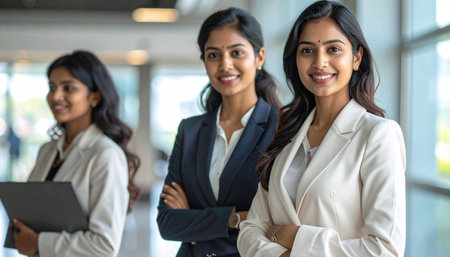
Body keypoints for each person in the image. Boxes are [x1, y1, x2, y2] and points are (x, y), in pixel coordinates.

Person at [237, 1, 406, 256]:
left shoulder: (378, 135)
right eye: (307, 51)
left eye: (334, 49)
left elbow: (385, 249)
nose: (320, 62)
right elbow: (250, 229)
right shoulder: (288, 132)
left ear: (356, 58)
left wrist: (298, 238)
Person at [157, 7, 281, 257]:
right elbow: (168, 223)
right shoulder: (190, 130)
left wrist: (194, 223)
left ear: (259, 58)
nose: (225, 65)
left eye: (237, 53)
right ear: (204, 61)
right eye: (214, 55)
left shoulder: (281, 127)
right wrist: (234, 219)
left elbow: (277, 226)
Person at [12, 50, 140, 257]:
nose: (55, 96)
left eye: (68, 88)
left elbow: (104, 246)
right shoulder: (48, 150)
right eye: (52, 87)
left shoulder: (106, 154)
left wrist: (38, 241)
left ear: (95, 96)